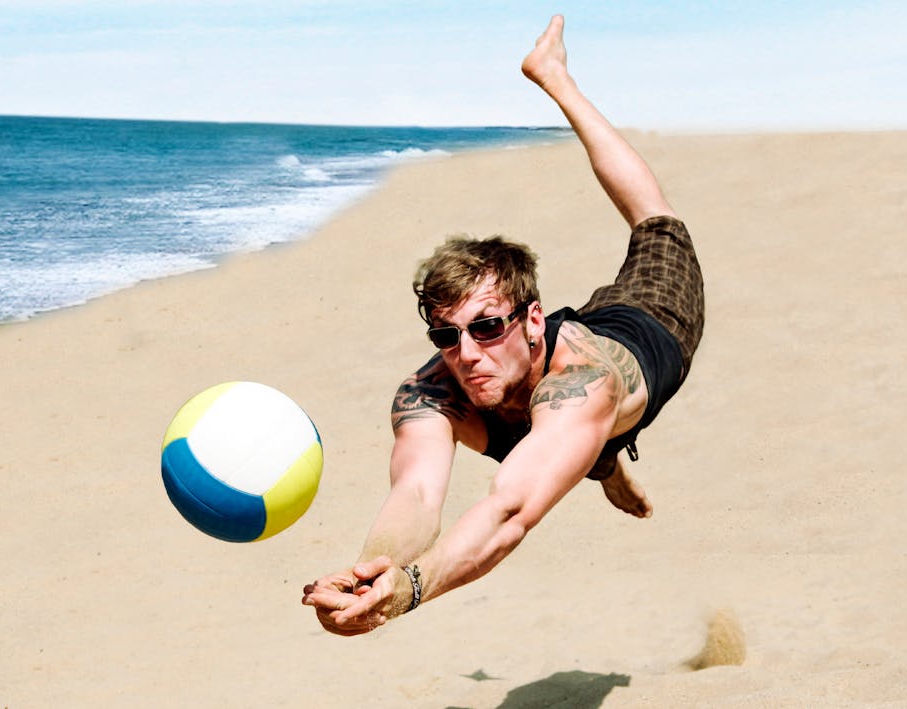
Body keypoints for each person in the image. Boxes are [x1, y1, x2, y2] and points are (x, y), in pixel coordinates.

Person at [302, 14, 704, 636]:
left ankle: (555, 76)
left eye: (487, 327)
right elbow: (415, 495)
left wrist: (409, 591)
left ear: (532, 319)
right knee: (555, 439)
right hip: (546, 406)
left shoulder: (586, 383)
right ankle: (600, 459)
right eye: (447, 335)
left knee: (656, 221)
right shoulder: (430, 391)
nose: (466, 353)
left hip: (647, 324)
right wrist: (370, 575)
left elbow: (510, 509)